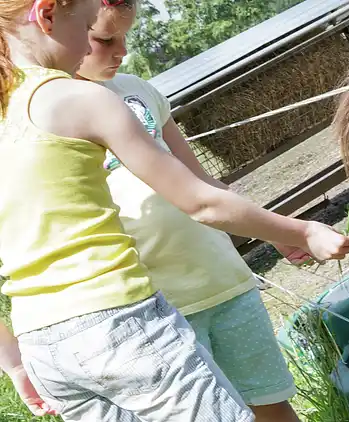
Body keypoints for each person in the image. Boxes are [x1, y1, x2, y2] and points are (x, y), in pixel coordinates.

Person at [0, 0, 349, 421]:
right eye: (89, 27)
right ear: (47, 15)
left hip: (45, 344)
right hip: (116, 321)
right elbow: (202, 201)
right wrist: (304, 231)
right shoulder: (79, 98)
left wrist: (17, 362)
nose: (92, 46)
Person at [76, 1, 308, 420]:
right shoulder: (58, 118)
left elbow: (201, 182)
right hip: (159, 309)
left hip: (225, 280)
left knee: (272, 402)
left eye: (125, 38)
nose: (121, 51)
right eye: (105, 39)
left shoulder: (138, 91)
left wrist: (275, 229)